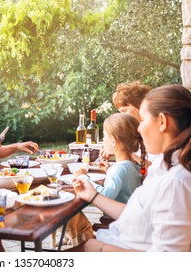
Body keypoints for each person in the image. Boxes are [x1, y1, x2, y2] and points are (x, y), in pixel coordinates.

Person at [71, 84, 191, 251]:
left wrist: (98, 249)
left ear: (162, 122)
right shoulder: (165, 166)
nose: (139, 129)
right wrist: (93, 195)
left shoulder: (175, 181)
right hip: (115, 238)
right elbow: (137, 216)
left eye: (143, 119)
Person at [74, 113, 143, 203]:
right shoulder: (133, 165)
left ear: (113, 141)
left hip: (116, 217)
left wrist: (84, 178)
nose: (103, 140)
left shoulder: (119, 169)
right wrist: (109, 170)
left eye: (104, 136)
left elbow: (106, 196)